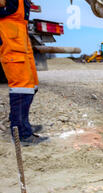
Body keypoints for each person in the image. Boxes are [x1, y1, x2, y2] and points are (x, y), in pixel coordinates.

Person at [0, 0, 46, 146]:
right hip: (9, 32)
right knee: (21, 86)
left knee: (31, 84)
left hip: (20, 32)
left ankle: (22, 125)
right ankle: (21, 134)